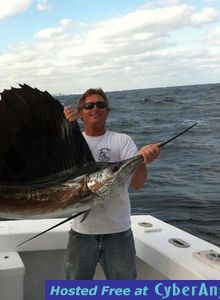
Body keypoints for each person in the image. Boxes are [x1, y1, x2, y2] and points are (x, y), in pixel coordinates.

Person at [63, 88, 160, 280]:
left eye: (101, 104)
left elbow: (137, 184)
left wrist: (142, 161)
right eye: (88, 106)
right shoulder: (71, 141)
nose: (95, 109)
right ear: (80, 112)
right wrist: (62, 124)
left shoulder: (122, 140)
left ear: (108, 110)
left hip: (118, 233)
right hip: (82, 234)